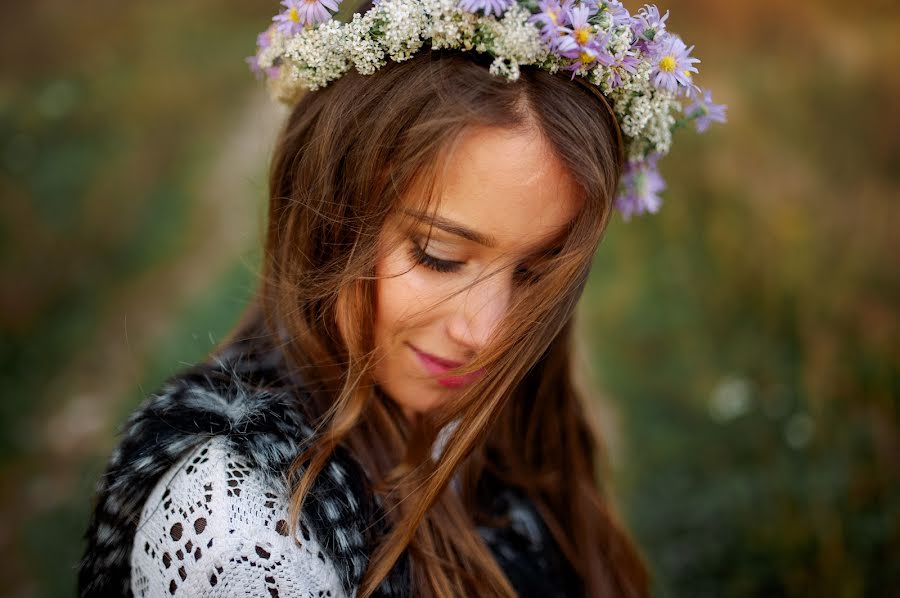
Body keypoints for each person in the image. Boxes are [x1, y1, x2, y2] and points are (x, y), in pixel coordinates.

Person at [78, 1, 724, 596]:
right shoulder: (241, 525)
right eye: (439, 257)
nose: (489, 332)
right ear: (331, 219)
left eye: (535, 274)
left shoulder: (515, 432)